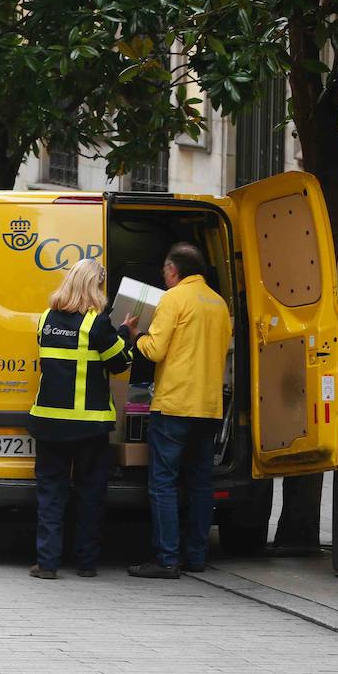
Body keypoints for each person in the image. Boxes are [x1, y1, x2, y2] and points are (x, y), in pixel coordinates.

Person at [124, 243, 232, 578]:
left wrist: (135, 335)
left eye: (165, 271)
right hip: (209, 407)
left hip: (174, 404)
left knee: (164, 483)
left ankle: (167, 559)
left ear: (173, 270)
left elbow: (155, 350)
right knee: (200, 484)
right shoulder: (218, 303)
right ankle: (196, 556)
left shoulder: (173, 299)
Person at [27, 258, 132, 579]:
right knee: (89, 495)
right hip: (89, 428)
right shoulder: (96, 324)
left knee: (50, 495)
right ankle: (86, 564)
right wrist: (127, 332)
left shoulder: (45, 320)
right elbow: (119, 364)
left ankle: (47, 564)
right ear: (95, 287)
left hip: (49, 425)